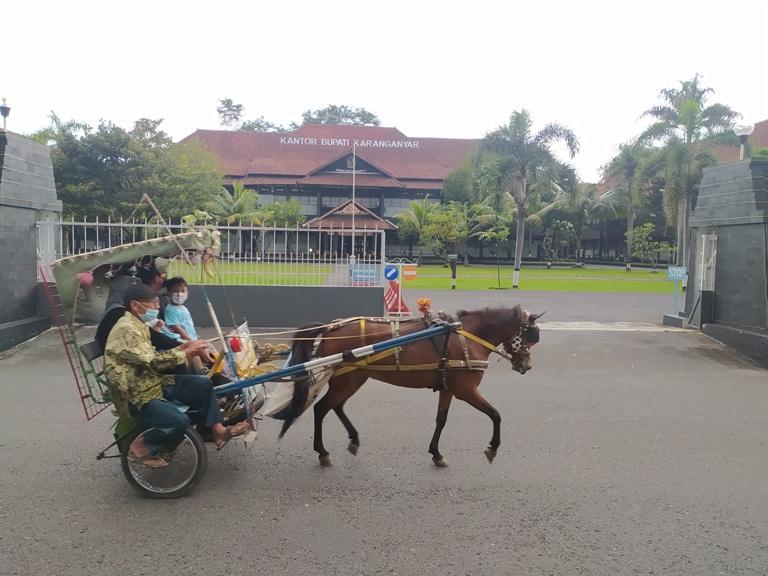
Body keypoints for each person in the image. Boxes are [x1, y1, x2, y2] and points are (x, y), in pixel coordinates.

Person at [104, 284, 248, 468]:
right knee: (179, 421)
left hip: (150, 381)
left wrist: (185, 347)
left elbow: (151, 355)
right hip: (135, 392)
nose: (158, 307)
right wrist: (186, 353)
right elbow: (152, 362)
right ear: (135, 305)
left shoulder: (138, 325)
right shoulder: (127, 329)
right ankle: (141, 446)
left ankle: (218, 431)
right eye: (154, 303)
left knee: (203, 384)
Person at [163, 277, 198, 342]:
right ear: (168, 292)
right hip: (183, 341)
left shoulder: (184, 308)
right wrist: (190, 341)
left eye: (182, 291)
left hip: (192, 339)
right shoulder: (170, 310)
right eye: (176, 291)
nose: (179, 294)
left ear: (187, 293)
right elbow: (176, 328)